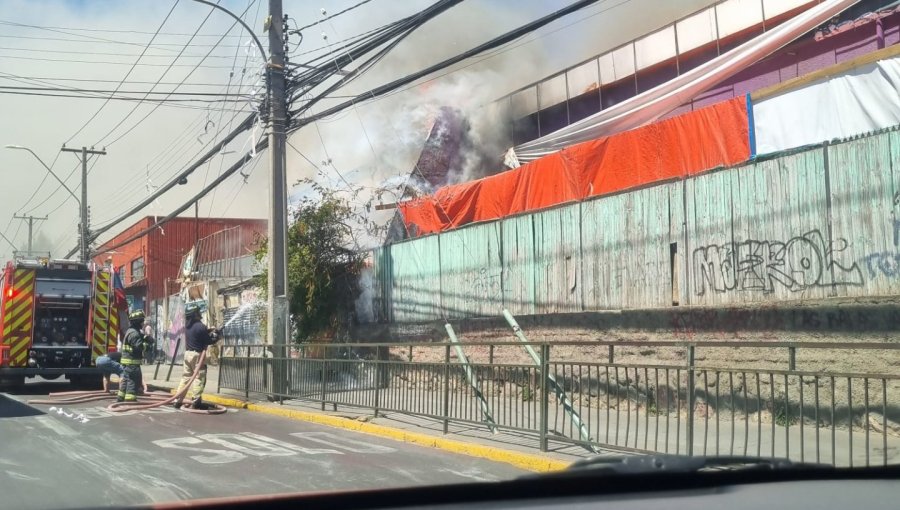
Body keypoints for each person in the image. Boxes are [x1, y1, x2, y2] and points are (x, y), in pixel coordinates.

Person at [174, 303, 218, 409]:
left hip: (188, 354)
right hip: (197, 356)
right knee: (199, 377)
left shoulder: (187, 326)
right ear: (195, 314)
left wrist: (209, 330)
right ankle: (196, 400)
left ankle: (177, 400)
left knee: (186, 378)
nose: (199, 314)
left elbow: (198, 333)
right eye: (198, 312)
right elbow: (208, 340)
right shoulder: (200, 326)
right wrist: (216, 336)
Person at [117, 310, 149, 402]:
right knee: (134, 380)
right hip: (132, 362)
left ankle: (121, 396)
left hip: (127, 362)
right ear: (138, 322)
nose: (143, 323)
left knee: (126, 380)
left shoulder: (130, 331)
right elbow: (139, 347)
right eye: (142, 321)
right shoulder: (134, 333)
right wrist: (148, 346)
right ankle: (130, 399)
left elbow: (138, 338)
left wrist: (145, 337)